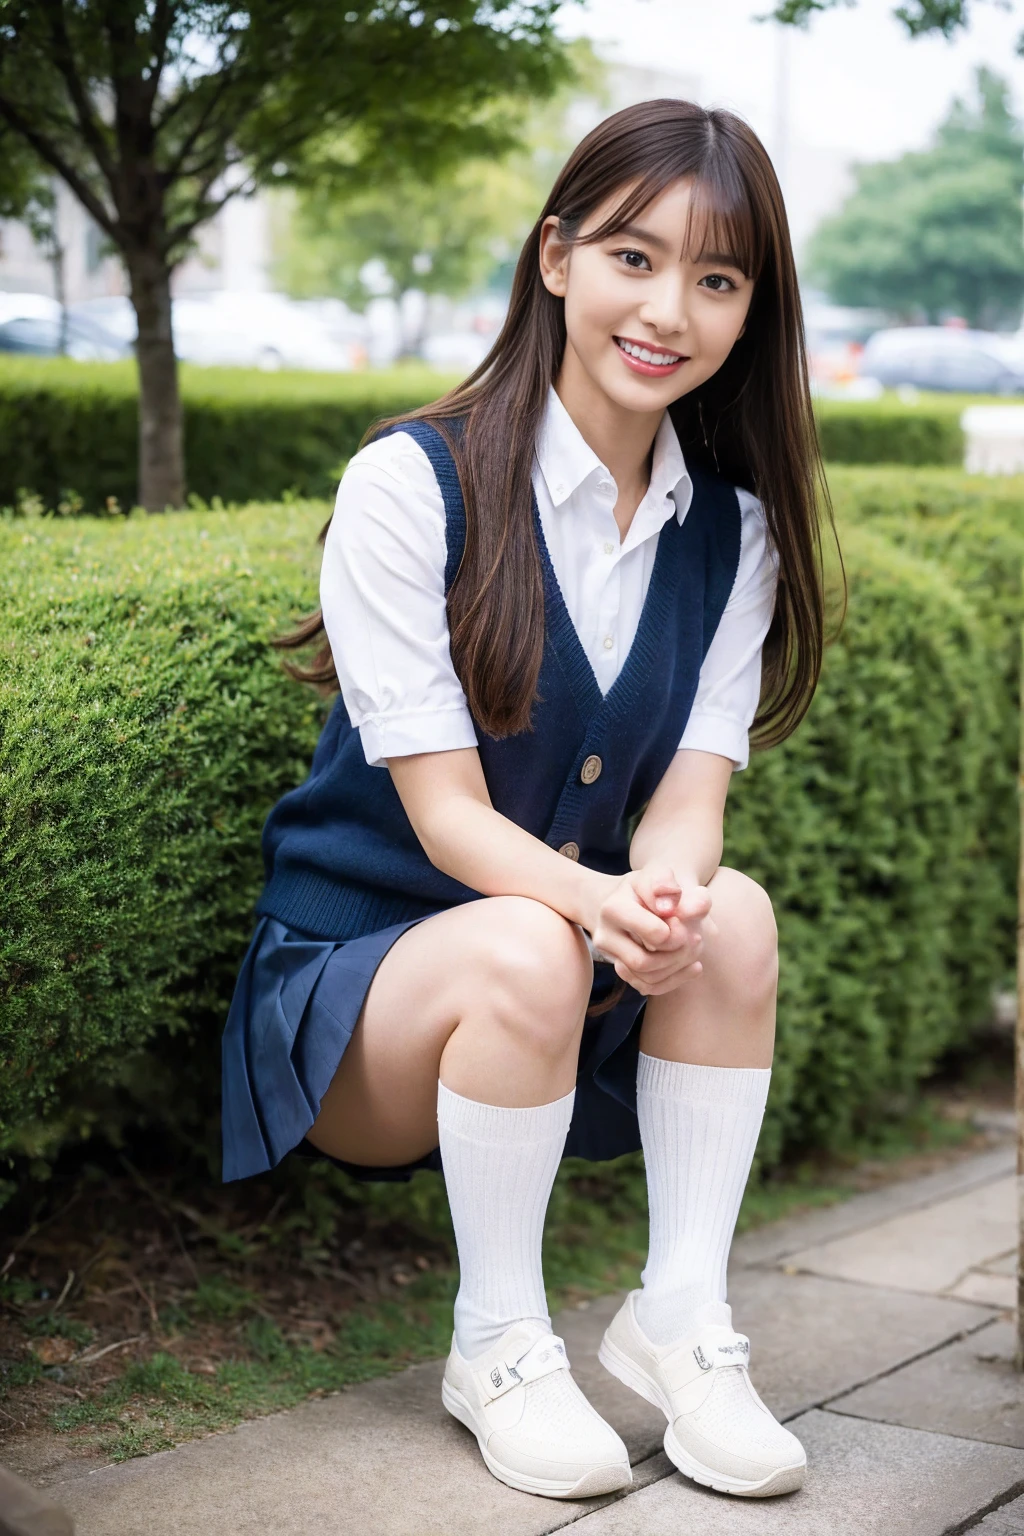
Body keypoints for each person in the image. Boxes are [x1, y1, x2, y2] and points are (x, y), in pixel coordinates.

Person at [222, 98, 834, 1503]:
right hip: (360, 996)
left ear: (752, 311)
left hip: (570, 960)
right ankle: (496, 1340)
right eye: (634, 256)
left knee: (730, 917)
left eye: (719, 278)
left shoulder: (729, 530)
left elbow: (691, 792)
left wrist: (664, 898)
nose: (669, 308)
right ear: (556, 256)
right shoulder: (411, 484)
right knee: (522, 938)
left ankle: (680, 1316)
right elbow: (445, 824)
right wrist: (600, 905)